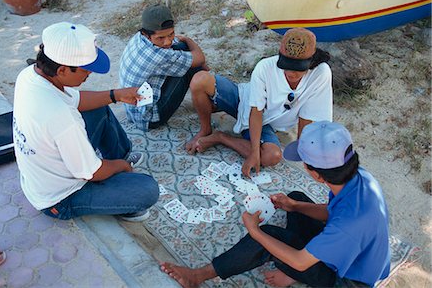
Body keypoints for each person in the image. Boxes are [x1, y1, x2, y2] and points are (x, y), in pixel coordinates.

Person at [161, 121, 391, 287]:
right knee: (297, 198)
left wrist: (254, 231)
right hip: (355, 251)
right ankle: (294, 260)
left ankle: (197, 276)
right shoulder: (359, 176)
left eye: (305, 164)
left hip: (349, 281)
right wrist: (294, 206)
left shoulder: (348, 226)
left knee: (268, 237)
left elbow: (301, 261)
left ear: (318, 175)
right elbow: (333, 212)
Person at [13, 22, 159, 222]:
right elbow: (91, 173)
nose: (90, 74)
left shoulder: (30, 75)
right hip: (60, 199)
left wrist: (116, 95)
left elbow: (79, 100)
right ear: (63, 70)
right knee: (147, 190)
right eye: (85, 69)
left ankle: (120, 159)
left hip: (46, 174)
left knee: (98, 105)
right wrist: (121, 166)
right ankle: (122, 183)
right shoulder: (61, 117)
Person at [185, 28, 333, 177]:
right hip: (243, 98)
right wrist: (254, 153)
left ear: (311, 62)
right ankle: (205, 129)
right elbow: (256, 111)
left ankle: (220, 137)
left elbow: (308, 114)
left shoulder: (321, 73)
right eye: (286, 66)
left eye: (297, 68)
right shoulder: (265, 67)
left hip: (264, 123)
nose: (290, 73)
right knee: (200, 80)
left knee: (272, 156)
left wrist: (304, 151)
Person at [119, 4, 207, 131]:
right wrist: (188, 40)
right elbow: (200, 58)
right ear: (146, 34)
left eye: (171, 34)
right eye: (161, 38)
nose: (167, 41)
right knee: (191, 66)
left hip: (134, 111)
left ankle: (209, 89)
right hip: (150, 119)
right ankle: (210, 98)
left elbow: (173, 43)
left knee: (181, 49)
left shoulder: (139, 38)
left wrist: (180, 43)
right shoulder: (155, 55)